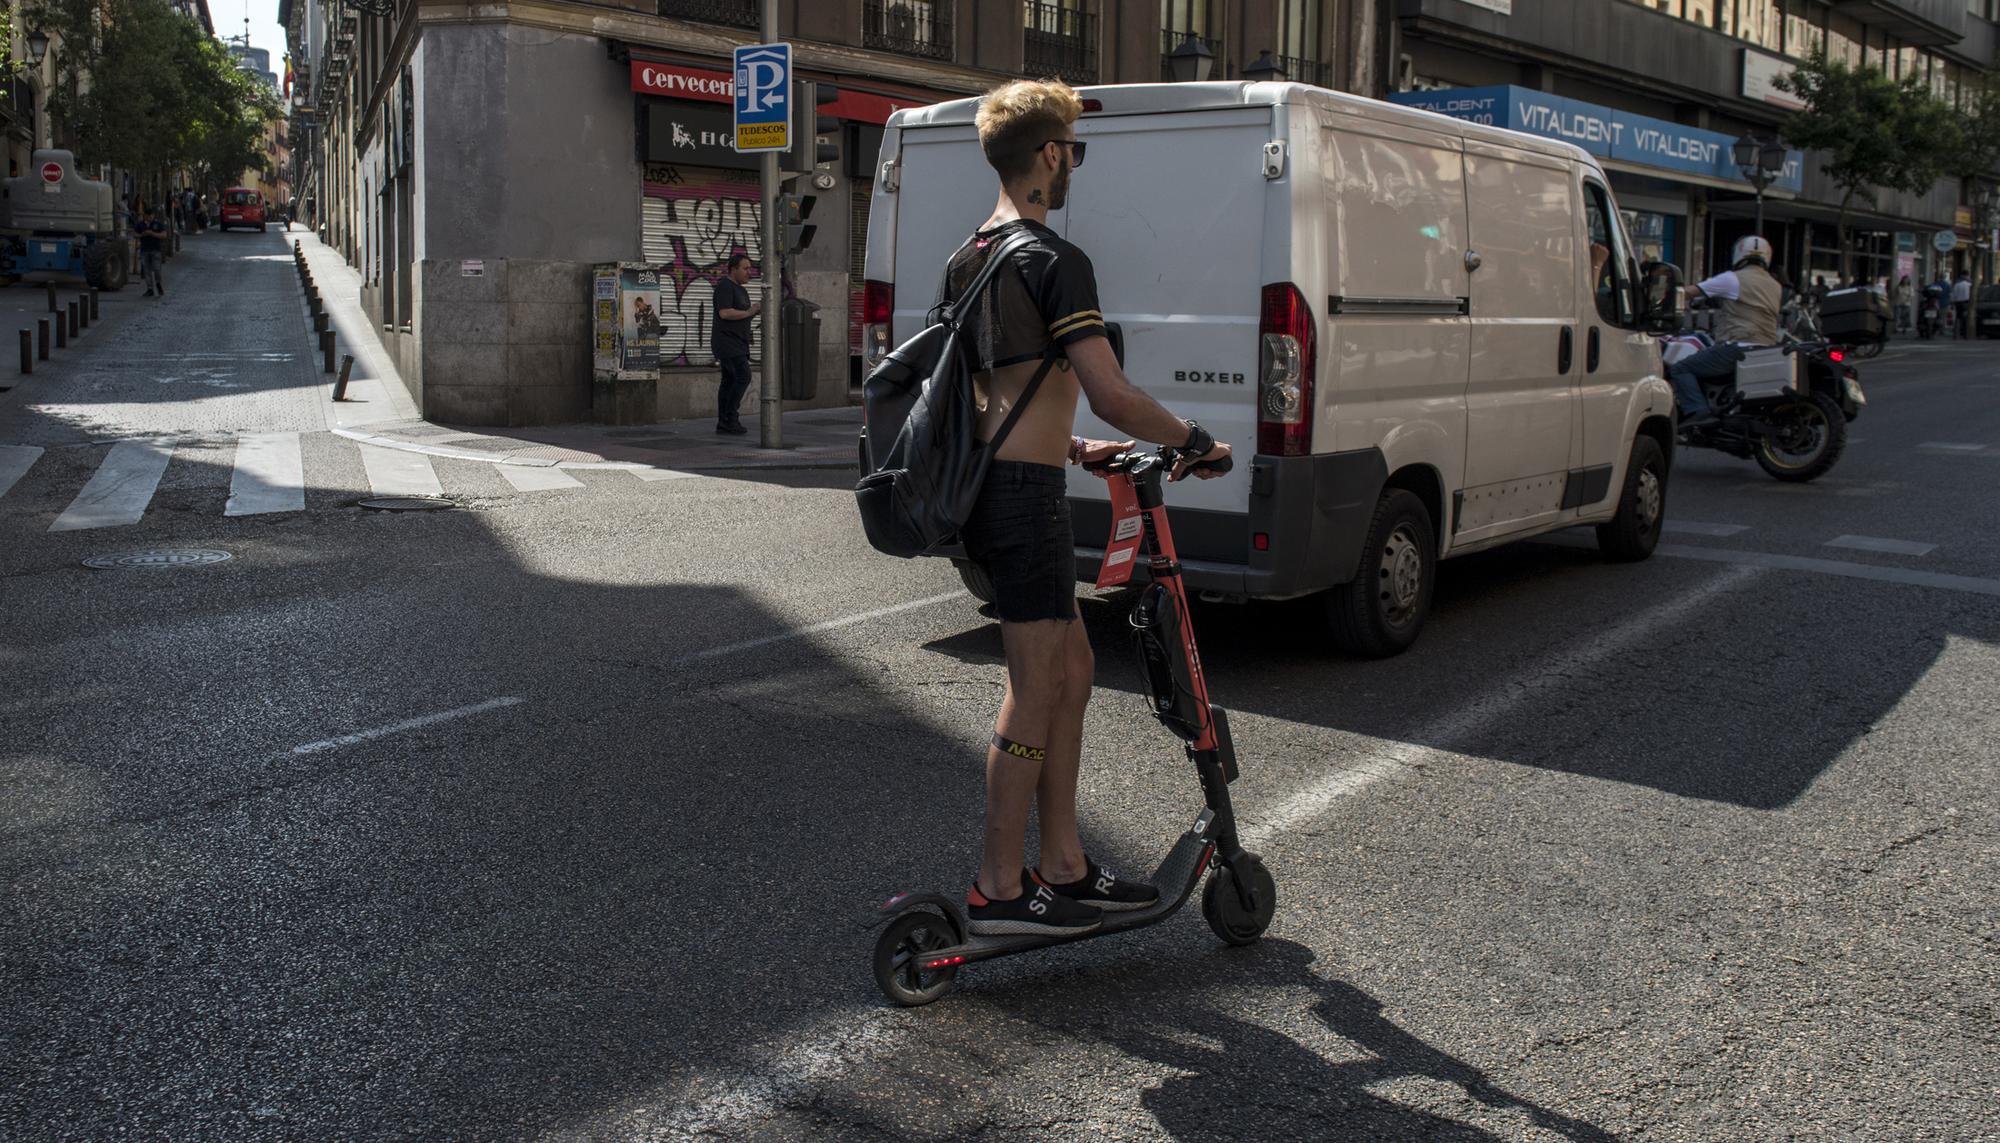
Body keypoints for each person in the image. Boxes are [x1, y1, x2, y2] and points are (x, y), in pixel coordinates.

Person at [943, 79, 1231, 937]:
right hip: (1021, 502)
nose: (1075, 163)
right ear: (1047, 155)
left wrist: (1068, 448)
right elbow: (1109, 390)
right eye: (1072, 147)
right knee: (1037, 686)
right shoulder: (1050, 257)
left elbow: (987, 397)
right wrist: (1192, 438)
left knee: (1066, 670)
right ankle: (1000, 885)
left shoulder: (972, 254)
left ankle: (1063, 863)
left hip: (998, 486)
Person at [1670, 235, 1782, 429]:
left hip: (1738, 347)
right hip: (1765, 349)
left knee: (1680, 369)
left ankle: (1698, 411)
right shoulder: (1775, 285)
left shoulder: (1732, 279)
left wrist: (1665, 294)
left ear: (1739, 254)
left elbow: (1689, 292)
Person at [710, 252, 759, 435]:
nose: (749, 272)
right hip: (727, 343)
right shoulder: (725, 286)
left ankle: (724, 422)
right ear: (733, 269)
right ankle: (731, 417)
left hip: (738, 342)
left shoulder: (741, 289)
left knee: (729, 381)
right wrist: (749, 312)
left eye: (750, 268)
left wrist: (754, 312)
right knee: (743, 376)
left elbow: (742, 314)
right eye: (745, 268)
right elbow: (725, 313)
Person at [135, 206, 168, 297]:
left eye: (151, 216)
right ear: (144, 216)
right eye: (148, 216)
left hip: (155, 250)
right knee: (147, 270)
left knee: (157, 269)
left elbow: (164, 235)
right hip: (144, 250)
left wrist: (152, 234)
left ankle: (158, 284)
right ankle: (150, 289)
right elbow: (135, 234)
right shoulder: (140, 224)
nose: (150, 218)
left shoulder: (157, 224)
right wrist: (142, 234)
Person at [1953, 271, 1972, 339]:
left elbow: (1954, 295)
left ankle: (1956, 334)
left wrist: (1953, 302)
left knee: (1958, 318)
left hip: (1958, 303)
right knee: (1965, 319)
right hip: (1966, 303)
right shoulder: (1969, 285)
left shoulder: (1957, 284)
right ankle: (1965, 334)